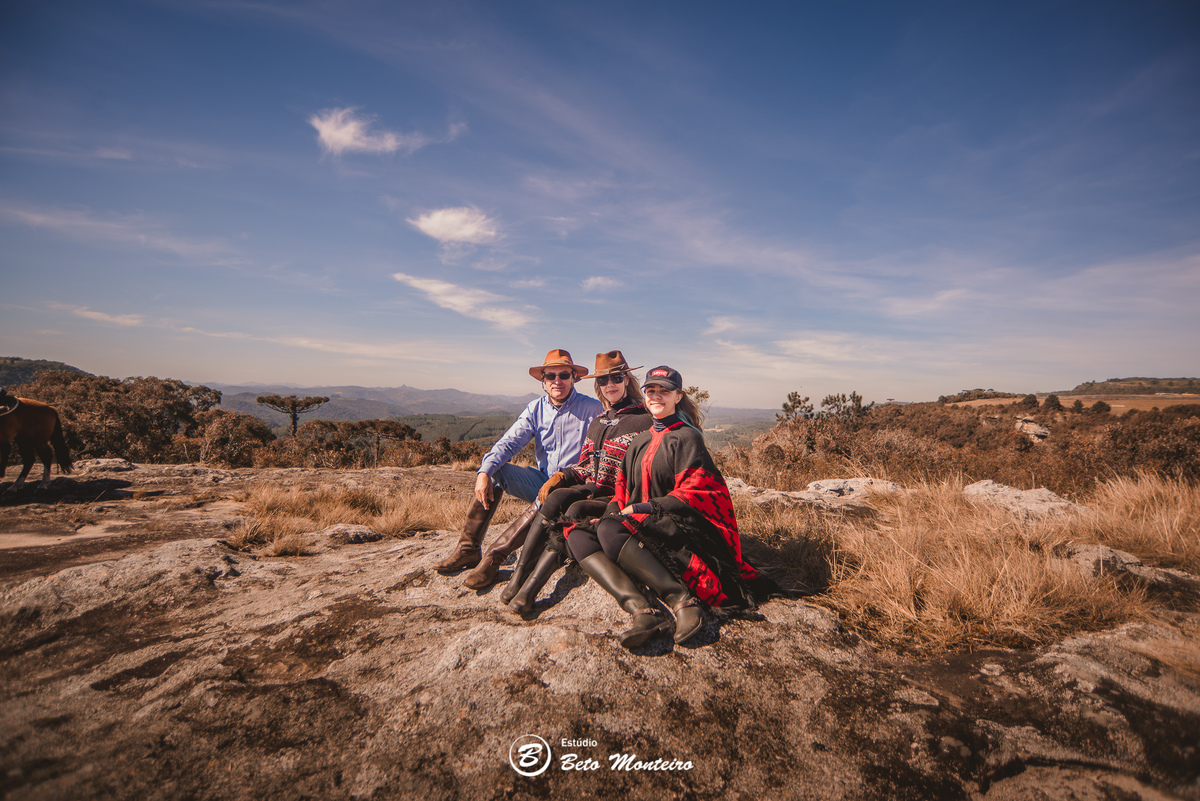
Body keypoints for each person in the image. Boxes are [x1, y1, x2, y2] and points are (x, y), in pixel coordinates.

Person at [566, 366, 779, 648]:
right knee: (578, 533)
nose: (656, 395)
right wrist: (613, 512)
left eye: (664, 391)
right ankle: (643, 612)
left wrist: (643, 509)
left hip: (677, 526)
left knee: (611, 527)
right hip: (640, 522)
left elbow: (696, 492)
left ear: (678, 396)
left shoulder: (687, 438)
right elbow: (621, 491)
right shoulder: (640, 441)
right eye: (651, 390)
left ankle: (682, 600)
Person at [501, 350, 653, 615]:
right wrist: (562, 477)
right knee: (556, 497)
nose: (610, 385)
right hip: (595, 489)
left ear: (627, 380)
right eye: (603, 381)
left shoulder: (644, 420)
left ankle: (530, 591)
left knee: (574, 511)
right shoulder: (600, 421)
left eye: (616, 378)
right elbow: (585, 466)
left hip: (621, 497)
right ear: (598, 386)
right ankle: (519, 577)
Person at [435, 349, 604, 587]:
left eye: (564, 375)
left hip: (573, 488)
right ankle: (468, 548)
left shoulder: (592, 409)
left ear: (574, 378)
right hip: (540, 480)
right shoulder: (536, 409)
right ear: (543, 380)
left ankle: (494, 559)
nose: (558, 381)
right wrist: (484, 472)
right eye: (551, 376)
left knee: (550, 496)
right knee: (496, 471)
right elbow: (510, 442)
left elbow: (599, 457)